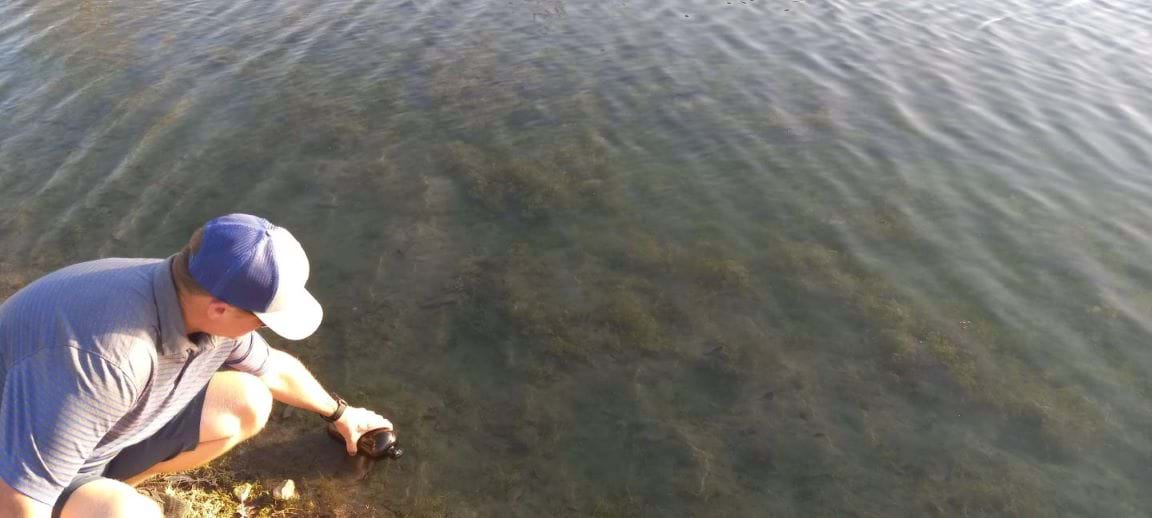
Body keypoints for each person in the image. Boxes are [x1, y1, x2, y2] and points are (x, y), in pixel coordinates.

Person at [0, 213, 393, 517]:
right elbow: (18, 499)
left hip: (92, 433)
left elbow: (272, 367)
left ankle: (110, 488)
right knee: (129, 513)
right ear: (220, 309)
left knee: (247, 400)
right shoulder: (110, 360)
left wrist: (341, 413)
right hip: (20, 462)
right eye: (261, 320)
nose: (259, 330)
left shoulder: (190, 290)